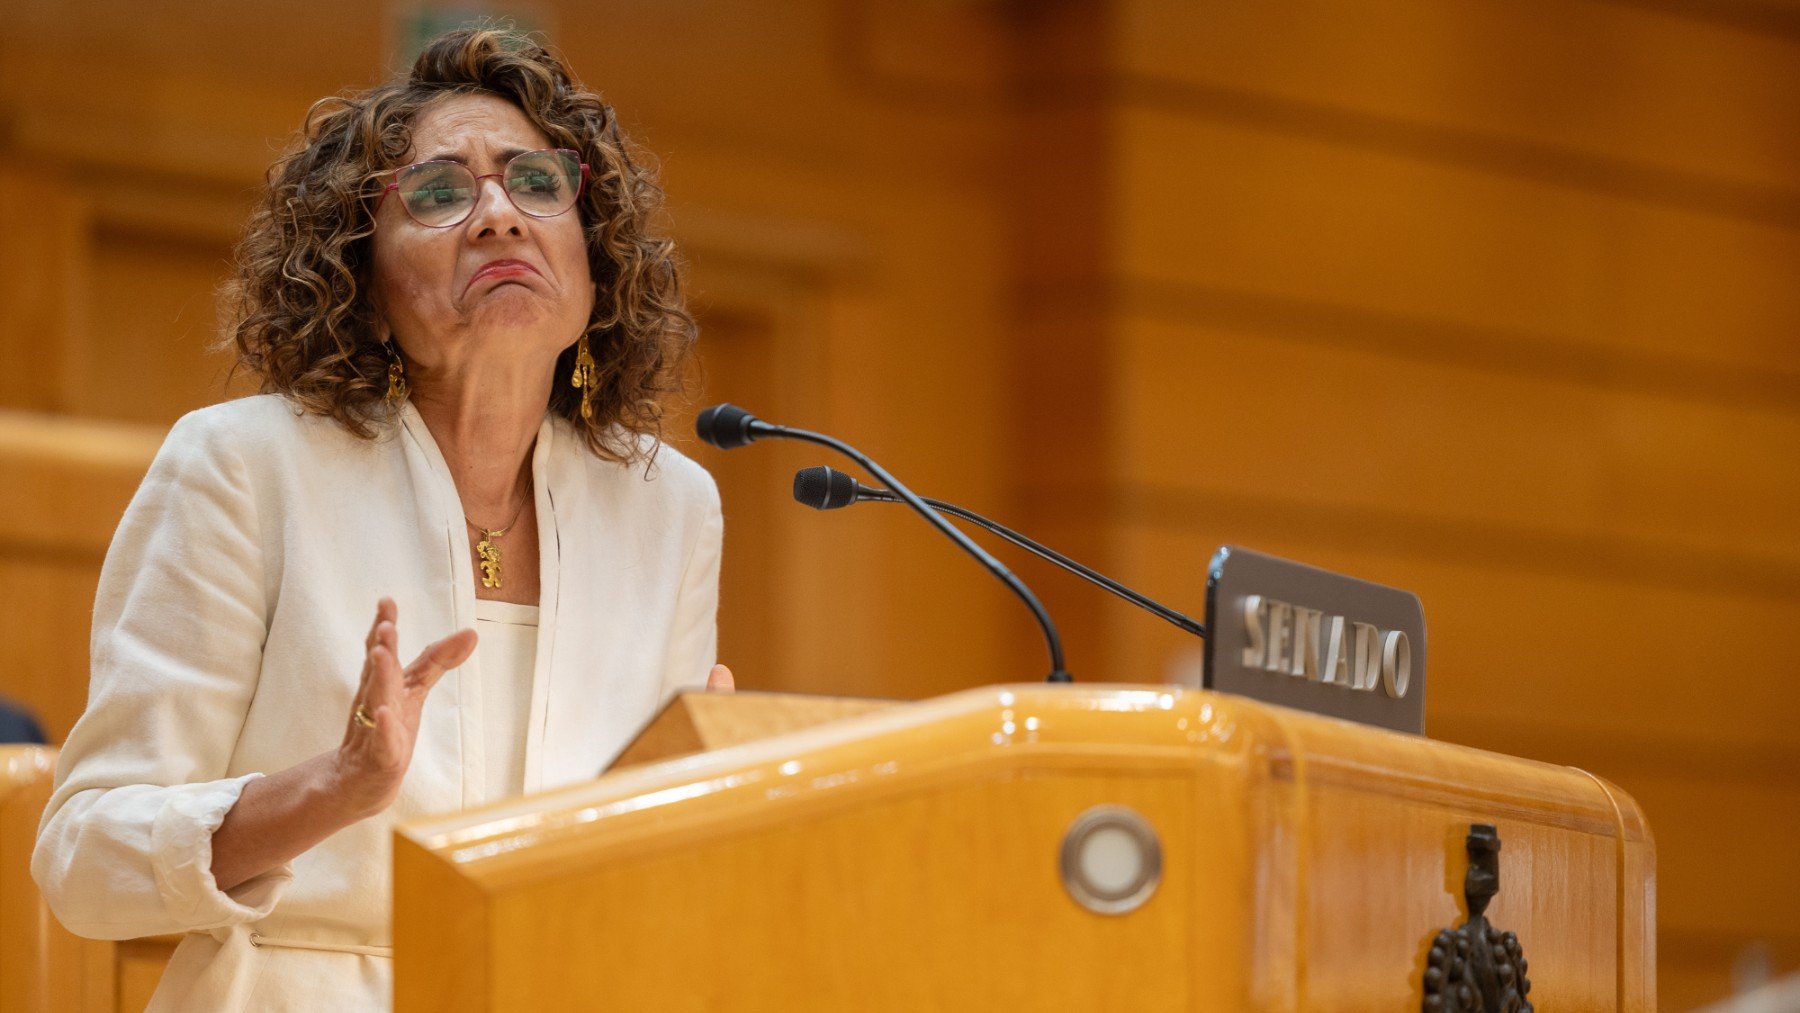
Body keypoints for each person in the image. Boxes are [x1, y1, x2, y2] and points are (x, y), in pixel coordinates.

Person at [32, 28, 729, 1010]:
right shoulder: (244, 465)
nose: (498, 216)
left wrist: (712, 792)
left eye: (535, 181)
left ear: (593, 248)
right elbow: (83, 859)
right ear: (361, 275)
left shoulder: (669, 506)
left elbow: (653, 875)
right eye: (439, 193)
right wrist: (335, 786)